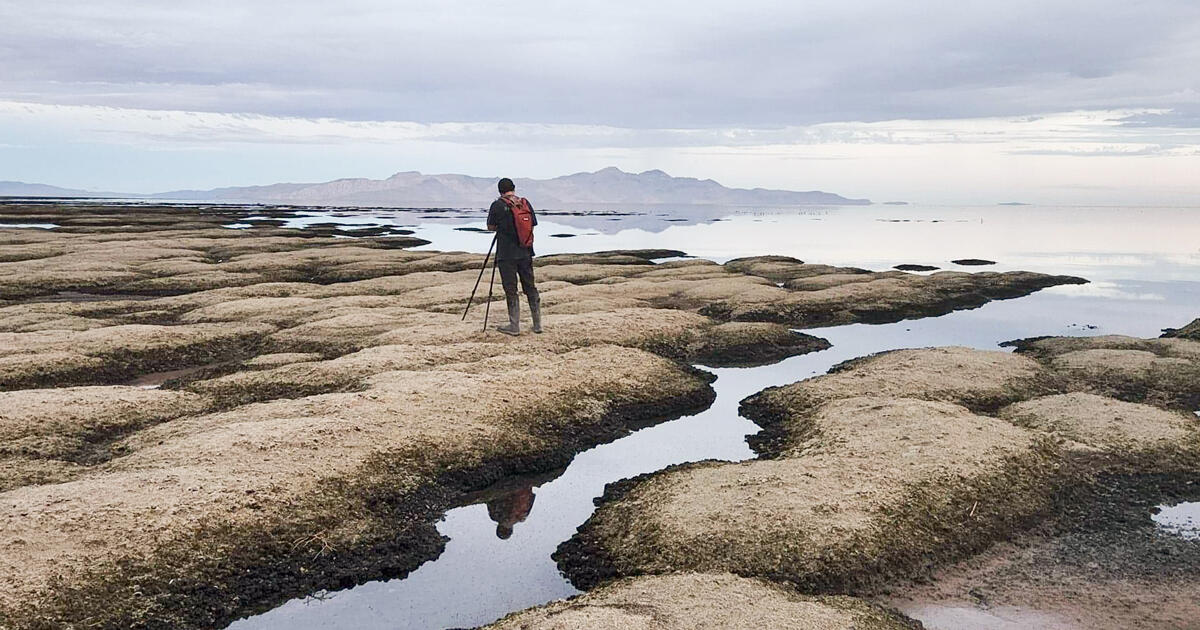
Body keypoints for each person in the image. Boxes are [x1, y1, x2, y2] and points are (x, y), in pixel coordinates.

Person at [486, 177, 542, 335]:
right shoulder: (524, 203)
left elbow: (490, 226)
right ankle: (537, 324)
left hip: (506, 254)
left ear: (500, 190)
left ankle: (514, 326)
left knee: (511, 289)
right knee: (530, 287)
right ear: (514, 188)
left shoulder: (497, 205)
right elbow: (533, 224)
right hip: (526, 251)